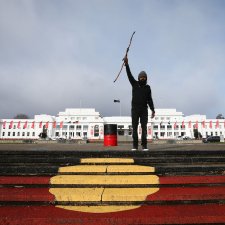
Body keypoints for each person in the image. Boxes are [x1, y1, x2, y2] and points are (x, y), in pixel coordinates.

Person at [123, 56, 155, 151]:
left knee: (144, 128)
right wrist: (127, 64)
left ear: (146, 78)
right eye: (141, 77)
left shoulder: (148, 88)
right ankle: (135, 146)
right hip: (135, 110)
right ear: (138, 78)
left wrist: (153, 110)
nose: (142, 79)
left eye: (144, 78)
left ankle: (144, 146)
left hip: (144, 110)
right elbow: (129, 75)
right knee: (135, 127)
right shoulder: (134, 83)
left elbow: (150, 99)